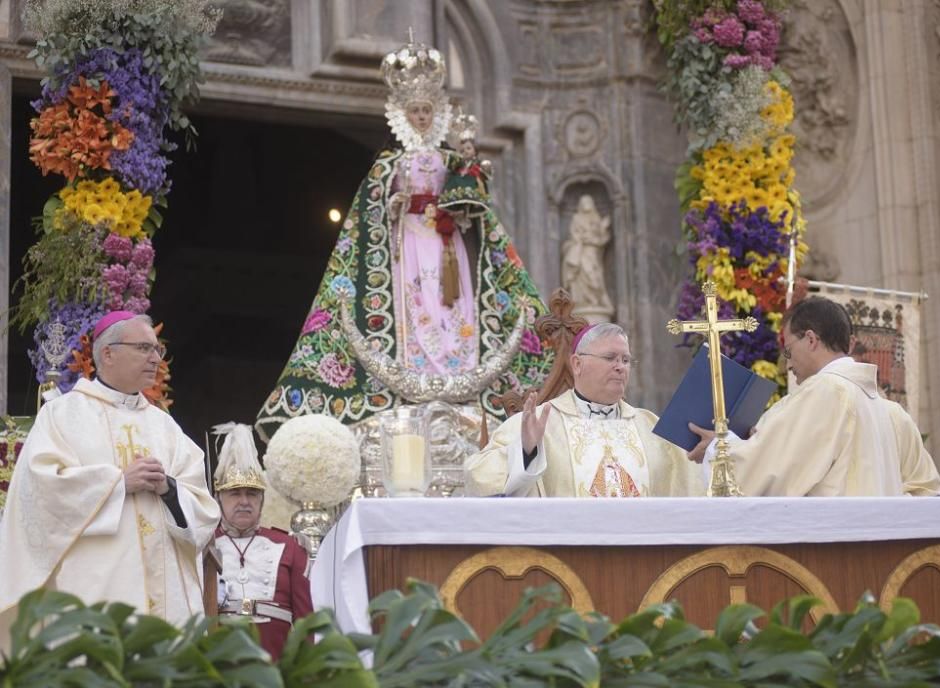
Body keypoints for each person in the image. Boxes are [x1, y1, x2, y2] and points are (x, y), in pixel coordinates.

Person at [256, 37, 550, 438]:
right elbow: (372, 205)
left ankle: (455, 364)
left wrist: (468, 180)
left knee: (453, 304)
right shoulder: (389, 163)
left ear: (438, 112)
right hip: (409, 241)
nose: (423, 116)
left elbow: (474, 195)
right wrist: (396, 202)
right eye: (416, 110)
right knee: (415, 297)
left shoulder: (450, 159)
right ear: (402, 113)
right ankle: (417, 363)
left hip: (448, 241)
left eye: (428, 109)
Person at [0, 311, 220, 651]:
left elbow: (203, 511)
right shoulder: (63, 416)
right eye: (144, 348)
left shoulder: (165, 427)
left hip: (168, 609)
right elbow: (41, 493)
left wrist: (168, 489)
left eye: (156, 350)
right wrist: (117, 483)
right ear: (108, 353)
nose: (155, 359)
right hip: (94, 595)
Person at [688, 297, 940, 496]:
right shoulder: (884, 408)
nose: (787, 364)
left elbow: (768, 472)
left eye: (788, 351)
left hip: (832, 552)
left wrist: (716, 448)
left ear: (810, 339)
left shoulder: (826, 391)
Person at [465, 323, 704, 497]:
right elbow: (480, 478)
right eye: (610, 358)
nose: (620, 367)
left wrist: (713, 447)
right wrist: (526, 452)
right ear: (577, 364)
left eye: (625, 360)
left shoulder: (651, 427)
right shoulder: (538, 423)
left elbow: (701, 479)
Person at [212, 424, 312, 660]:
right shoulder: (203, 546)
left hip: (276, 661)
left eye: (252, 494)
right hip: (220, 661)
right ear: (218, 499)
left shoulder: (290, 546)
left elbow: (306, 619)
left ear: (262, 500)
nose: (244, 501)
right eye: (235, 494)